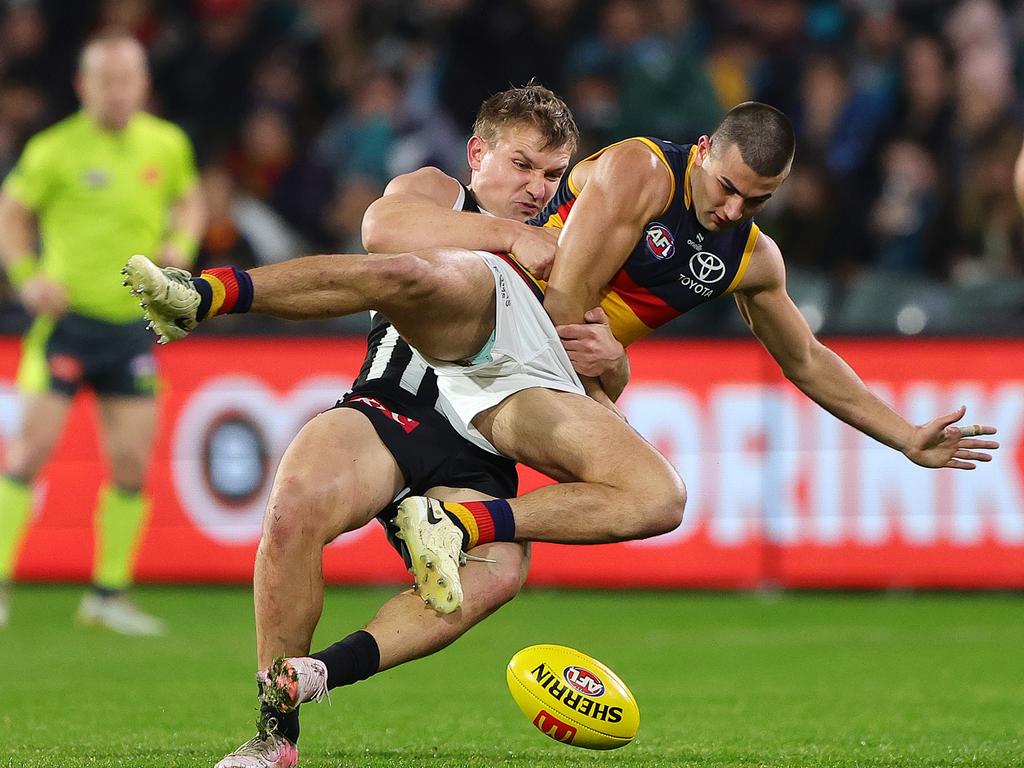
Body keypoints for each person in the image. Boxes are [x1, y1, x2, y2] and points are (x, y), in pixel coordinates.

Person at [125, 100, 998, 721]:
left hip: (522, 390)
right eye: (728, 186)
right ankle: (204, 292)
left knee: (648, 504)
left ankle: (337, 651)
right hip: (469, 359)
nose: (734, 208)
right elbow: (538, 283)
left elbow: (805, 359)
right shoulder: (635, 171)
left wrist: (905, 435)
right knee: (396, 319)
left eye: (756, 201)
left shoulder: (750, 258)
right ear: (704, 151)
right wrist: (569, 318)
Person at [207, 85, 625, 767]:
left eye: (552, 176)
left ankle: (316, 675)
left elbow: (596, 403)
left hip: (478, 453)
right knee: (291, 515)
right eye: (522, 166)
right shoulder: (437, 192)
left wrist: (615, 362)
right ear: (477, 154)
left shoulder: (569, 261)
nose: (537, 189)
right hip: (386, 411)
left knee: (497, 571)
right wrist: (513, 239)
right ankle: (275, 739)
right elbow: (384, 228)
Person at [0, 32, 205, 635]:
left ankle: (108, 594)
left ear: (144, 85)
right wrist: (26, 275)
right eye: (105, 80)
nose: (117, 91)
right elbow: (11, 211)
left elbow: (189, 201)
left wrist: (181, 245)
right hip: (65, 326)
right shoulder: (53, 149)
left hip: (133, 328)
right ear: (82, 85)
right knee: (29, 453)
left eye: (128, 79)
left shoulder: (165, 144)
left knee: (131, 465)